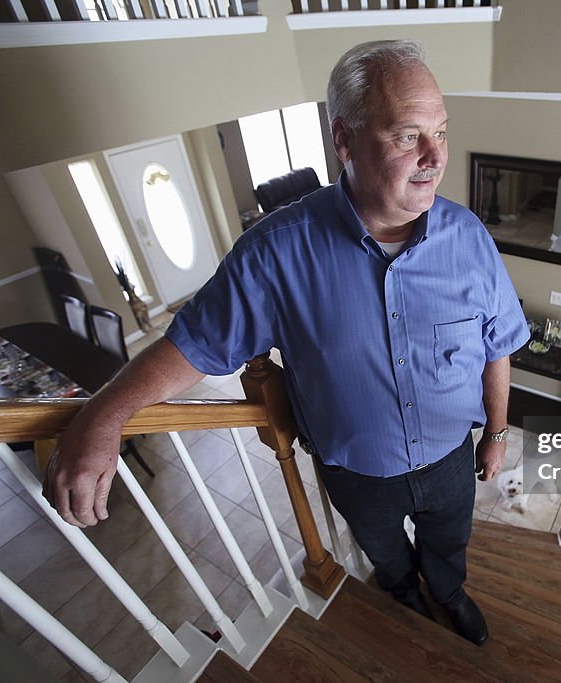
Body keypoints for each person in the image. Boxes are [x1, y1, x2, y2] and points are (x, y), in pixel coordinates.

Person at [42, 39, 529, 647]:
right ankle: (404, 599)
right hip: (357, 473)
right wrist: (105, 412)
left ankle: (449, 595)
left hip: (452, 458)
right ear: (344, 140)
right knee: (386, 557)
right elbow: (194, 344)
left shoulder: (470, 238)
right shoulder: (275, 253)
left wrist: (498, 433)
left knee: (449, 546)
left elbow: (498, 343)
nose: (435, 157)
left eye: (441, 132)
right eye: (407, 135)